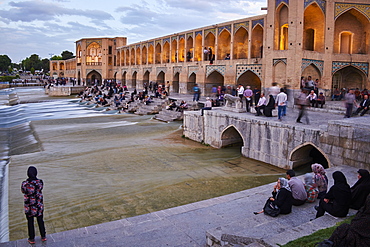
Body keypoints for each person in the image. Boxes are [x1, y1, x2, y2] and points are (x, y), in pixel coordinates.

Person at [21, 166, 47, 244]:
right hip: (38, 206)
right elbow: (40, 188)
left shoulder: (25, 184)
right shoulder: (40, 182)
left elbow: (23, 191)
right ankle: (43, 236)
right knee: (40, 221)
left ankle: (31, 239)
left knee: (30, 222)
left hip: (29, 207)